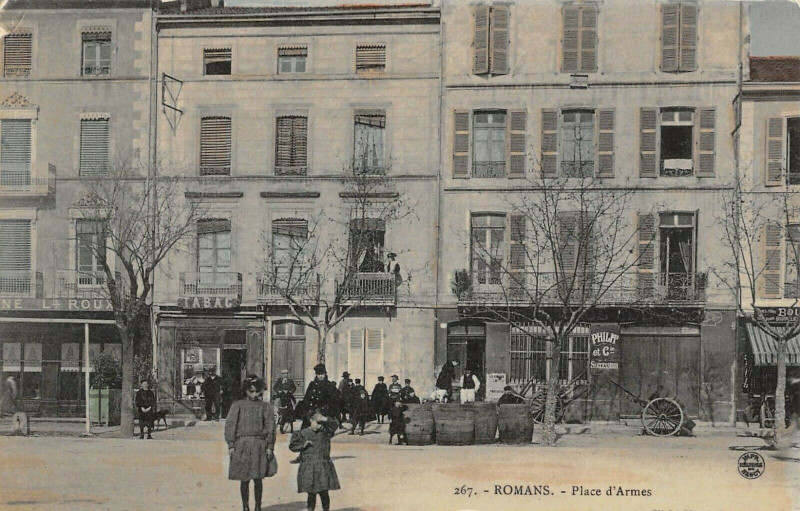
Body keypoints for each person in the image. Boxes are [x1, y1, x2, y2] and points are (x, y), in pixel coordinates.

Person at [225, 376, 276, 511]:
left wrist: (270, 446)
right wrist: (231, 444)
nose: (254, 394)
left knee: (258, 477)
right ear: (246, 391)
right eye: (251, 391)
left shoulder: (265, 407)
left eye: (256, 392)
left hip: (259, 445)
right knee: (244, 477)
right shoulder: (238, 405)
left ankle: (258, 507)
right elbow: (230, 425)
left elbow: (271, 427)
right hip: (242, 445)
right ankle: (245, 507)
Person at [289, 410, 341, 511]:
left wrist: (324, 418)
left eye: (322, 424)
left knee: (324, 492)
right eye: (318, 423)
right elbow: (292, 446)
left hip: (323, 466)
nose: (320, 426)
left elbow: (335, 424)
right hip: (309, 466)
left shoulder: (325, 433)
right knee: (311, 493)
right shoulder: (303, 433)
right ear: (310, 420)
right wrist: (303, 445)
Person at [301, 364, 340, 429]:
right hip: (311, 414)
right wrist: (309, 415)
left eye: (322, 374)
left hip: (324, 414)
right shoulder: (312, 385)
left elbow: (334, 402)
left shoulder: (330, 386)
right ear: (316, 375)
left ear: (325, 374)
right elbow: (306, 399)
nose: (321, 376)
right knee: (304, 434)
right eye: (318, 374)